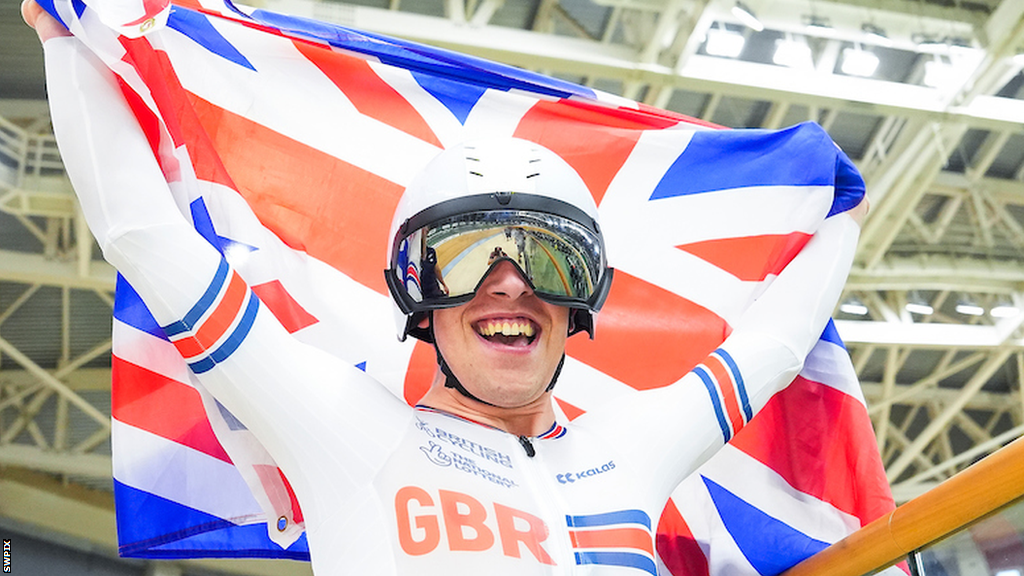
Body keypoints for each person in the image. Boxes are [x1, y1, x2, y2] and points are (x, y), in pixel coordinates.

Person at [24, 2, 865, 574]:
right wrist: (70, 35)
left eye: (548, 260)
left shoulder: (629, 451)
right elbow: (144, 237)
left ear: (585, 299)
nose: (508, 288)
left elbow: (774, 347)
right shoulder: (341, 428)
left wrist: (839, 207)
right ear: (414, 298)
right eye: (461, 261)